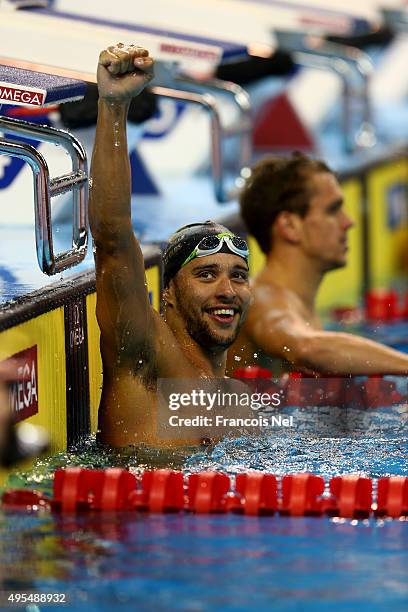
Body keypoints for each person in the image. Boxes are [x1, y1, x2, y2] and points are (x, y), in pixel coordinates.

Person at [89, 44, 251, 447]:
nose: (227, 290)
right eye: (206, 274)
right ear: (169, 293)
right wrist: (113, 106)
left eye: (239, 276)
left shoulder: (239, 405)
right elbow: (112, 239)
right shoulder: (147, 354)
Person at [228, 153, 408, 376]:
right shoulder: (263, 302)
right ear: (290, 225)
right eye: (333, 210)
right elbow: (306, 348)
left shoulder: (294, 304)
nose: (348, 222)